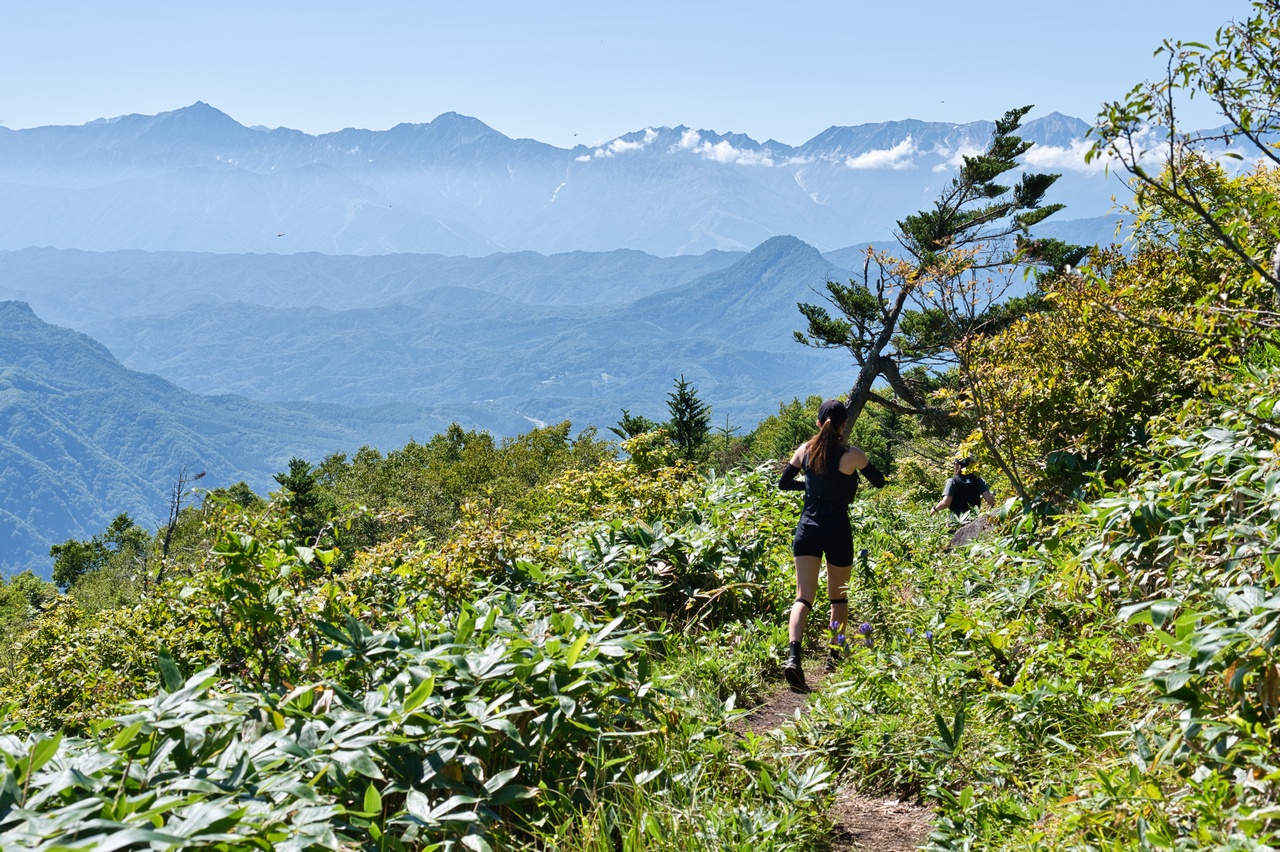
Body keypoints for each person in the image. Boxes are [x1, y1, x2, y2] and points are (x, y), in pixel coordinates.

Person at [777, 398, 885, 690]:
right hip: (837, 529)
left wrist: (810, 486)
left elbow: (783, 483)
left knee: (803, 598)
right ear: (844, 424)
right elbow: (879, 481)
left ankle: (793, 657)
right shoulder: (852, 455)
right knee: (838, 598)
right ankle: (833, 658)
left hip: (807, 529)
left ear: (818, 422)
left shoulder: (805, 450)